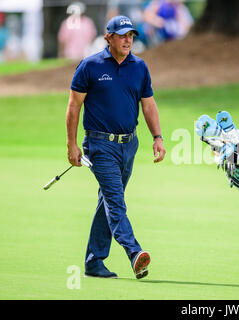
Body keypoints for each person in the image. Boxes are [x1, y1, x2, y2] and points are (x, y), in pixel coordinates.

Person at [66, 15, 166, 279]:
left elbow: (148, 104)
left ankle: (93, 261)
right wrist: (72, 144)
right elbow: (74, 106)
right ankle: (135, 253)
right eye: (122, 35)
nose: (128, 40)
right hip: (99, 145)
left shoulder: (140, 67)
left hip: (128, 144)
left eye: (131, 35)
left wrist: (158, 137)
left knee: (107, 202)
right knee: (115, 201)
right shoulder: (90, 66)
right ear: (107, 37)